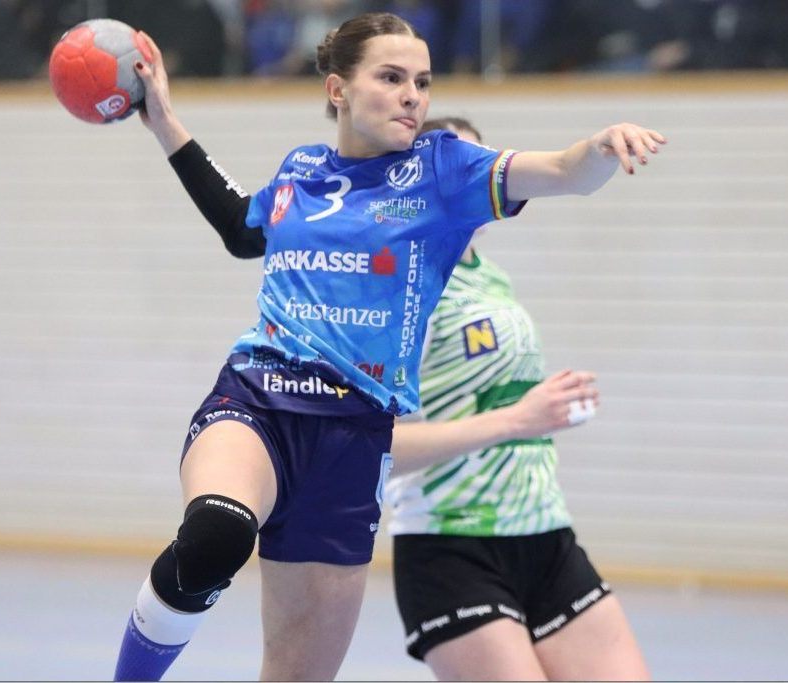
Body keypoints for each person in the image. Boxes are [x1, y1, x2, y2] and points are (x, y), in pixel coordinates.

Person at [110, 11, 666, 681]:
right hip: (260, 398)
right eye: (392, 77)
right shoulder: (302, 168)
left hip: (353, 436)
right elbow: (240, 229)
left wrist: (599, 148)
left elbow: (564, 171)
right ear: (339, 89)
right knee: (217, 532)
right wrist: (165, 122)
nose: (412, 96)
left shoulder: (442, 170)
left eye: (422, 82)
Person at [385, 117, 650, 681]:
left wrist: (544, 410)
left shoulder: (490, 279)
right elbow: (373, 447)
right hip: (452, 547)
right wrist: (516, 420)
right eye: (461, 165)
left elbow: (567, 171)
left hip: (544, 534)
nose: (479, 176)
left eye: (483, 162)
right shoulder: (404, 287)